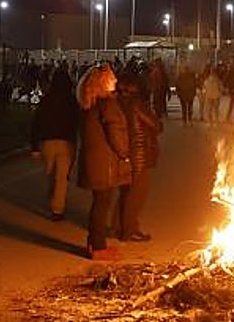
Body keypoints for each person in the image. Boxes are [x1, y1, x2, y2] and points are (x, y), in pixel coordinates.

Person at [76, 63, 131, 260]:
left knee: (98, 203)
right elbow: (115, 134)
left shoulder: (90, 104)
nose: (116, 80)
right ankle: (99, 248)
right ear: (104, 82)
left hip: (95, 163)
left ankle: (94, 244)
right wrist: (125, 154)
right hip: (105, 165)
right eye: (112, 77)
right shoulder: (107, 104)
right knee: (102, 205)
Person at [115, 71, 162, 242]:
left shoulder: (118, 103)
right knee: (136, 195)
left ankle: (120, 227)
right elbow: (155, 125)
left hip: (126, 153)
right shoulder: (137, 105)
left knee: (126, 193)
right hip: (139, 154)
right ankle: (129, 230)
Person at [29, 67, 79, 221]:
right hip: (66, 142)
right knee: (61, 177)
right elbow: (77, 122)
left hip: (47, 143)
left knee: (51, 175)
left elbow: (36, 123)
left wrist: (34, 147)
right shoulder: (72, 101)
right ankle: (57, 209)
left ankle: (54, 200)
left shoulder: (46, 100)